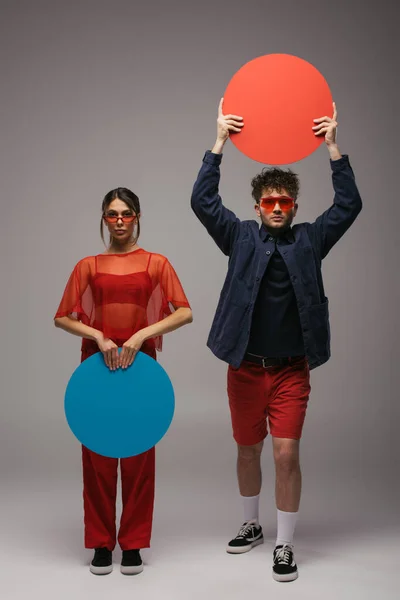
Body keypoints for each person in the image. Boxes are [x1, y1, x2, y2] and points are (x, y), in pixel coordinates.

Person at [191, 99, 362, 582]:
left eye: (285, 201)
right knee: (247, 450)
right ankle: (252, 524)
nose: (278, 208)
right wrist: (219, 143)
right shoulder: (240, 236)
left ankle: (284, 545)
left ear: (294, 206)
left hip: (291, 369)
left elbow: (349, 205)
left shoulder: (311, 239)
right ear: (257, 206)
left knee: (286, 454)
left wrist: (333, 149)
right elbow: (202, 203)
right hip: (245, 366)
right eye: (269, 201)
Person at [54, 187, 192, 575]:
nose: (119, 221)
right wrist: (96, 335)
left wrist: (141, 335)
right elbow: (63, 316)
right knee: (96, 456)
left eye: (126, 214)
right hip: (96, 366)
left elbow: (184, 312)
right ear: (103, 218)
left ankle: (132, 545)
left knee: (138, 456)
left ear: (137, 217)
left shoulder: (155, 263)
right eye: (112, 214)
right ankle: (101, 543)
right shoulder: (88, 265)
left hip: (139, 366)